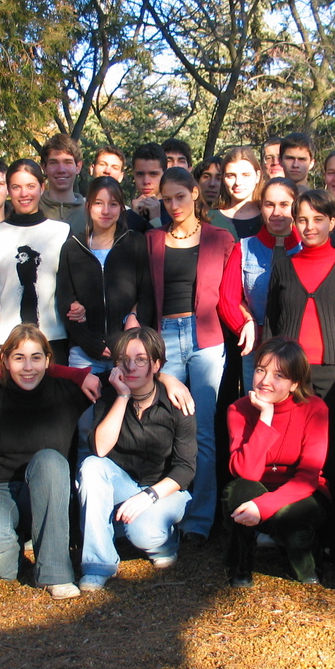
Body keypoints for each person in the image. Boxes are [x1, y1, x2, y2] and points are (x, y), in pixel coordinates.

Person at [0, 325, 96, 600]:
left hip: (47, 489)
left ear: (48, 361)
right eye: (19, 358)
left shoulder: (68, 393)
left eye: (36, 358)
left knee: (50, 459)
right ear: (5, 361)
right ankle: (13, 554)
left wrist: (169, 380)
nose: (28, 367)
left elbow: (128, 379)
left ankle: (55, 574)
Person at [147, 167, 235, 542]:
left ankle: (200, 519)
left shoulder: (220, 238)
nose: (174, 205)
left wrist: (246, 320)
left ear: (195, 193)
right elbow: (142, 293)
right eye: (166, 199)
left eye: (180, 196)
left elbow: (231, 294)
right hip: (165, 337)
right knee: (165, 425)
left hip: (207, 340)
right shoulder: (152, 239)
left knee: (203, 431)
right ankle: (162, 514)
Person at [265, 189, 335, 495]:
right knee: (292, 445)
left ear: (332, 222)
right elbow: (271, 323)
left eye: (318, 219)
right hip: (292, 373)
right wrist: (270, 373)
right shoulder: (283, 266)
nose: (309, 226)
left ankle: (333, 513)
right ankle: (293, 509)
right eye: (302, 220)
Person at [77, 328, 196, 591]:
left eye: (141, 360)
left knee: (143, 533)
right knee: (92, 466)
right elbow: (100, 449)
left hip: (166, 491)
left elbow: (185, 469)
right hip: (125, 485)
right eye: (123, 360)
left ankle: (164, 542)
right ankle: (98, 564)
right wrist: (122, 397)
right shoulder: (110, 392)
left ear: (156, 365)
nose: (131, 367)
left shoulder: (177, 401)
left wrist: (148, 496)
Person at [222, 337, 330, 587]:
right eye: (261, 370)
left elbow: (308, 478)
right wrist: (265, 417)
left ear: (295, 383)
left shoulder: (315, 408)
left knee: (287, 512)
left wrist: (263, 507)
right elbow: (246, 472)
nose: (265, 381)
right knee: (237, 492)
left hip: (305, 492)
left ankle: (308, 566)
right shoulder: (238, 410)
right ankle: (239, 568)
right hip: (256, 488)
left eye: (278, 375)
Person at [57, 175, 155, 375]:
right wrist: (88, 341)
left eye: (113, 204)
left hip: (128, 350)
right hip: (83, 353)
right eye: (98, 203)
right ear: (88, 206)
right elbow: (65, 300)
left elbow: (146, 294)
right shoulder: (72, 247)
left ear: (121, 208)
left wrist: (128, 335)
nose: (105, 211)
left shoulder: (135, 243)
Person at [0, 159, 71, 363]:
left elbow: (69, 290)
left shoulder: (61, 232)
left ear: (42, 187)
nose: (24, 193)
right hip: (6, 342)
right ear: (9, 190)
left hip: (54, 341)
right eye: (16, 187)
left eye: (30, 186)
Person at [219, 177, 302, 391]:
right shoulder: (244, 248)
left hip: (299, 349)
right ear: (261, 207)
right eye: (269, 205)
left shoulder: (306, 247)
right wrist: (246, 326)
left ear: (296, 206)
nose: (276, 212)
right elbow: (228, 300)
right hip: (257, 349)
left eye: (284, 205)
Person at [39, 134, 86, 232]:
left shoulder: (91, 213)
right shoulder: (33, 209)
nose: (61, 170)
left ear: (78, 167)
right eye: (54, 163)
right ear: (44, 167)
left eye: (67, 162)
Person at [218, 146, 264, 239]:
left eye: (246, 175)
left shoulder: (270, 219)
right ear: (223, 178)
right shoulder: (208, 218)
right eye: (231, 176)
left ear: (258, 176)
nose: (238, 182)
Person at [131, 142, 167, 226]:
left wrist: (156, 220)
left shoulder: (175, 211)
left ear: (164, 174)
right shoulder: (120, 214)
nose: (146, 181)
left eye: (153, 174)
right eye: (140, 174)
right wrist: (133, 217)